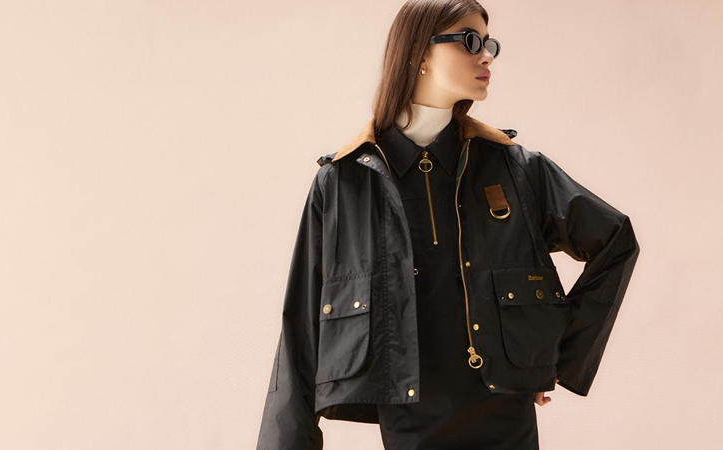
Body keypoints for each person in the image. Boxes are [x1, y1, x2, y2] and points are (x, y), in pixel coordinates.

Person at [256, 1, 640, 449]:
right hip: (410, 421)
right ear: (420, 52)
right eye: (470, 41)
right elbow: (301, 329)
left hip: (504, 416)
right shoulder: (345, 183)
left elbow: (615, 240)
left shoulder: (516, 169)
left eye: (490, 44)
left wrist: (555, 357)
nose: (487, 55)